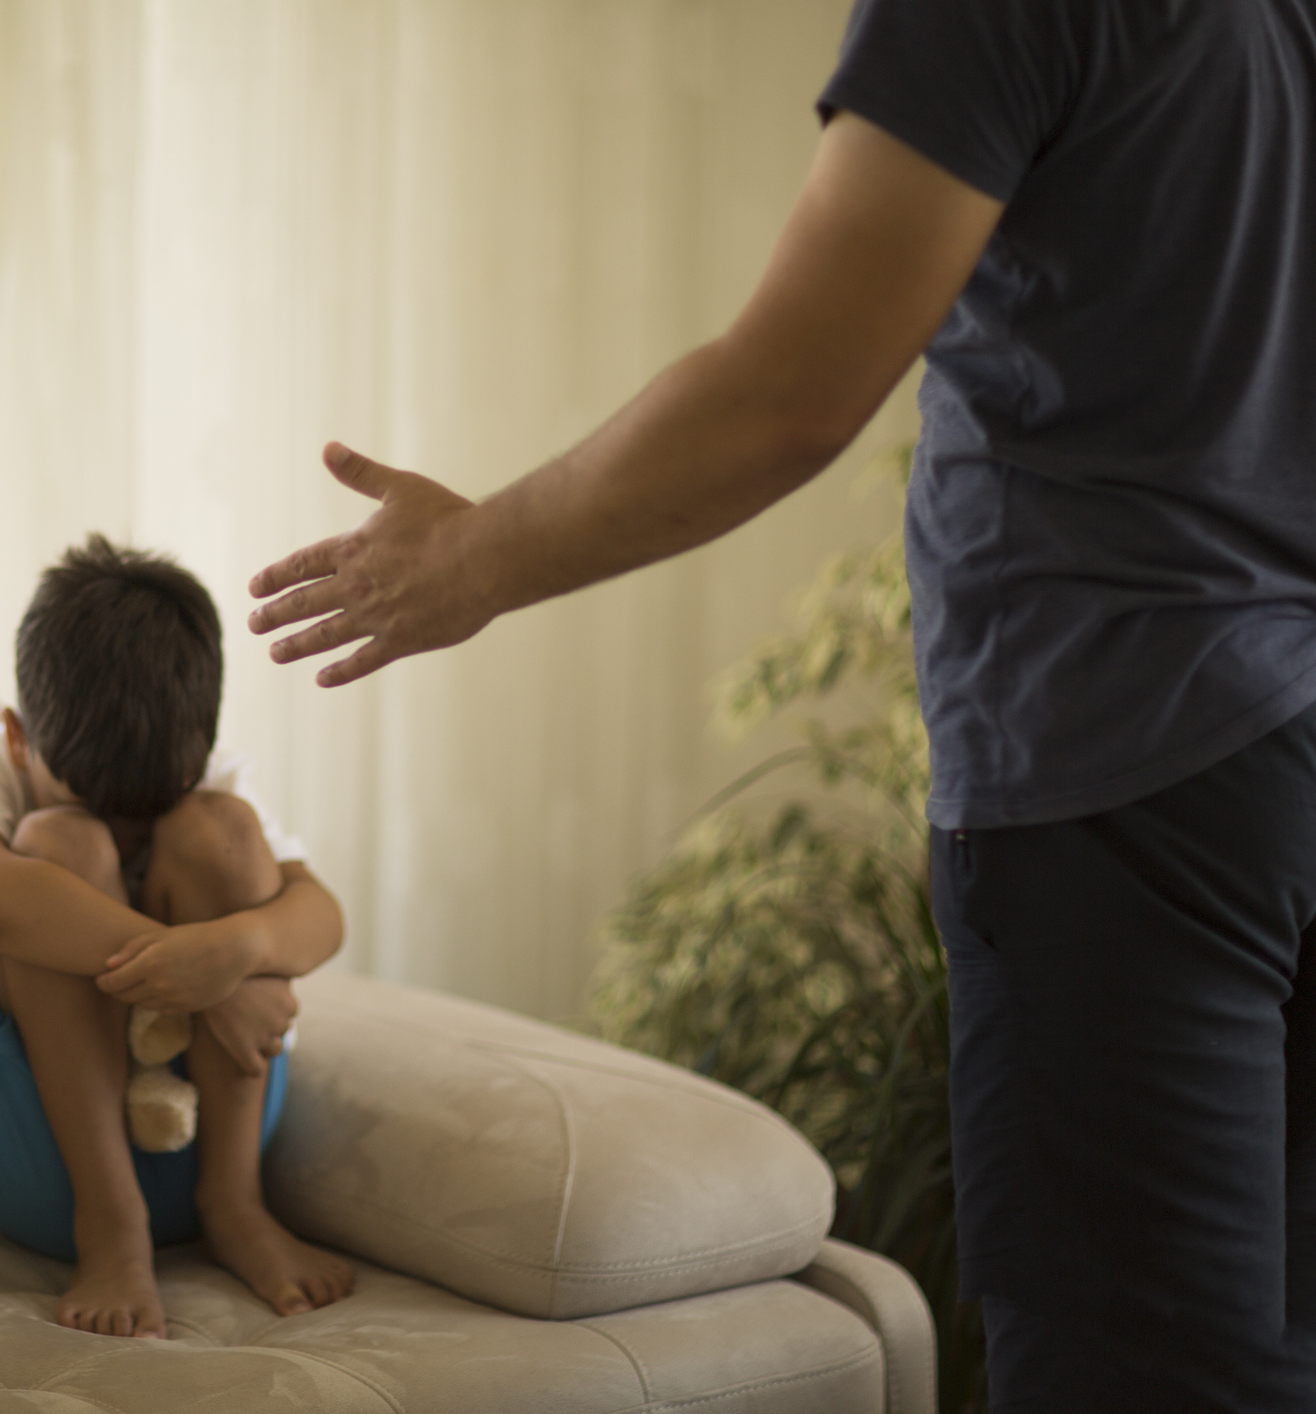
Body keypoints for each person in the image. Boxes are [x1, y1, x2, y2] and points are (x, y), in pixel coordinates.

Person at [248, 2, 1316, 1409]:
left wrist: (470, 559)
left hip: (1124, 778)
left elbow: (790, 394)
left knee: (1137, 1372)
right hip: (1273, 750)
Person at [0, 534, 354, 1339]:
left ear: (198, 750)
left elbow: (322, 917)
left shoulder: (210, 776)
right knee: (59, 846)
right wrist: (208, 978)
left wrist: (236, 951)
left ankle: (236, 1207)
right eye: (92, 797)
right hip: (30, 1154)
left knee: (223, 831)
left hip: (207, 1136)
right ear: (17, 738)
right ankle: (111, 1227)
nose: (122, 829)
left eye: (146, 809)